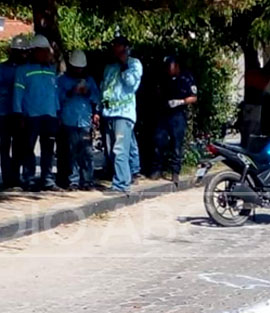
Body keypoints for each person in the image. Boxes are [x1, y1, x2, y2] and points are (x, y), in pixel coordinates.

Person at [13, 34, 60, 191]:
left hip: (50, 115)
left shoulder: (51, 70)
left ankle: (47, 179)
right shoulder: (23, 70)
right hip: (31, 116)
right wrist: (18, 113)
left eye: (47, 51)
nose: (47, 54)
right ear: (35, 51)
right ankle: (29, 178)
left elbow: (55, 93)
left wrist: (57, 111)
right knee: (28, 149)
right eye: (43, 51)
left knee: (48, 150)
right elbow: (18, 93)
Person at [100, 36, 143, 195]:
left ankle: (121, 184)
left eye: (118, 46)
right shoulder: (109, 67)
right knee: (112, 150)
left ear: (125, 48)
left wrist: (124, 64)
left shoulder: (134, 64)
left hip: (124, 114)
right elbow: (105, 88)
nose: (115, 49)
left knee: (120, 150)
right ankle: (121, 178)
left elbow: (131, 83)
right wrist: (100, 109)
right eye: (114, 46)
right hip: (109, 114)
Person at [58, 50, 101, 191]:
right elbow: (58, 98)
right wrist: (72, 92)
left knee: (87, 152)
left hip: (85, 122)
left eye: (81, 68)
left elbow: (96, 98)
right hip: (69, 121)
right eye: (76, 68)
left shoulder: (89, 80)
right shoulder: (62, 80)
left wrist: (87, 93)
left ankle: (87, 180)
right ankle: (73, 181)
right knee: (71, 153)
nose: (79, 71)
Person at [152, 56, 197, 183]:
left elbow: (194, 97)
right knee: (159, 141)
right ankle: (157, 169)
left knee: (176, 145)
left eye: (170, 68)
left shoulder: (186, 77)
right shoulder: (163, 77)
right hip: (164, 113)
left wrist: (180, 102)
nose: (168, 70)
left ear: (176, 66)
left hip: (178, 114)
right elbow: (158, 91)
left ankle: (175, 172)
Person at [0, 34, 28, 189]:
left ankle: (16, 175)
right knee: (5, 146)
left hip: (21, 112)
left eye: (23, 51)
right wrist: (10, 89)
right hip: (5, 112)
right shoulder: (3, 68)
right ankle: (7, 178)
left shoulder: (27, 68)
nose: (20, 54)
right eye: (17, 51)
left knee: (19, 146)